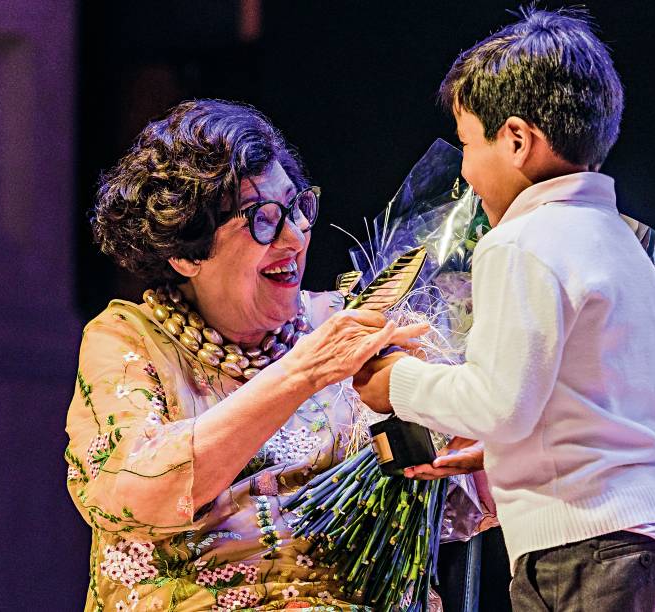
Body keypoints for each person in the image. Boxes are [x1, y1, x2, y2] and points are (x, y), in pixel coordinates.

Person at [353, 8, 655, 611]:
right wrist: (504, 449)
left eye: (467, 144)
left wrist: (397, 383)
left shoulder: (521, 242)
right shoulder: (621, 242)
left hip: (583, 546)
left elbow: (500, 401)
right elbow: (587, 401)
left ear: (516, 140)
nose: (463, 171)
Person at [65, 99, 427, 611]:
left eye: (298, 207)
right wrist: (299, 374)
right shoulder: (130, 340)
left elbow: (445, 508)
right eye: (262, 220)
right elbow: (135, 495)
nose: (296, 236)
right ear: (187, 253)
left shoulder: (341, 326)